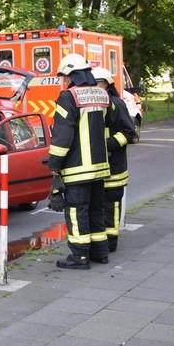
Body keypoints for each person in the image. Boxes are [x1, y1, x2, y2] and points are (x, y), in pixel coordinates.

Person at [48, 54, 111, 269]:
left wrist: (54, 164)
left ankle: (80, 256)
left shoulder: (69, 96)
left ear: (71, 74)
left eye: (64, 77)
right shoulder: (101, 94)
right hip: (100, 167)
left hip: (77, 168)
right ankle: (100, 252)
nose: (64, 82)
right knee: (95, 209)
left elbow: (63, 135)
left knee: (76, 210)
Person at [92, 66, 136, 254]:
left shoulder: (116, 104)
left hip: (114, 167)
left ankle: (111, 243)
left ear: (107, 84)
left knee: (111, 206)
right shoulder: (91, 105)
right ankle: (100, 243)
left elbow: (129, 132)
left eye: (98, 83)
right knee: (97, 206)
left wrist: (107, 144)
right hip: (95, 168)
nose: (95, 87)